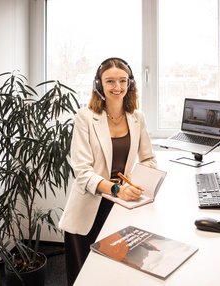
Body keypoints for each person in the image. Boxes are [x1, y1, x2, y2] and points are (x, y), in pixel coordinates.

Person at [58, 57, 157, 285]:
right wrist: (115, 188)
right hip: (90, 205)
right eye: (110, 81)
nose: (117, 87)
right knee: (85, 276)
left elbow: (149, 159)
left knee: (117, 273)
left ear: (130, 84)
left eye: (123, 81)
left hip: (122, 206)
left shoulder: (137, 118)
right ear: (99, 85)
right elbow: (82, 172)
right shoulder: (85, 117)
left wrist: (136, 179)